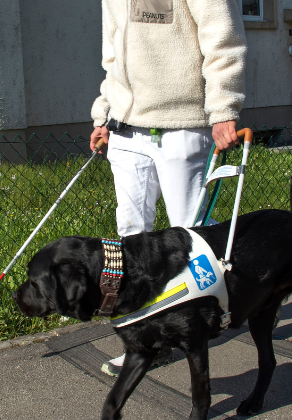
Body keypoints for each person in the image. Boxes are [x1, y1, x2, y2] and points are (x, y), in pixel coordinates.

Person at [89, 0, 248, 376]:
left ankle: (242, 302)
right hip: (125, 129)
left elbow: (221, 36)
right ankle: (147, 342)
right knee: (131, 237)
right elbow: (112, 55)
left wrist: (224, 108)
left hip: (182, 124)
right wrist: (103, 113)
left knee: (193, 237)